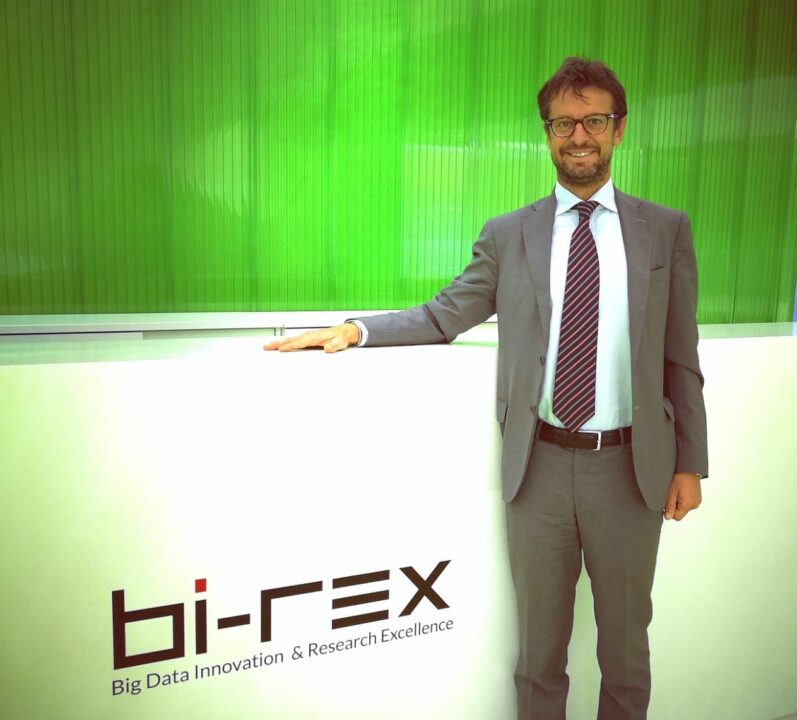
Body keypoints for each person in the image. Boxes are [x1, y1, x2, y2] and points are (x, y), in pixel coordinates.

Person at [264, 57, 708, 720]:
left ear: (619, 129)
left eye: (593, 121)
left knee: (624, 654)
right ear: (546, 133)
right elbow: (443, 315)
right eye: (562, 123)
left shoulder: (663, 230)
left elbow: (680, 356)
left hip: (630, 469)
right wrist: (356, 330)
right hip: (538, 470)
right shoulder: (510, 234)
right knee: (538, 656)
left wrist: (690, 462)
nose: (578, 136)